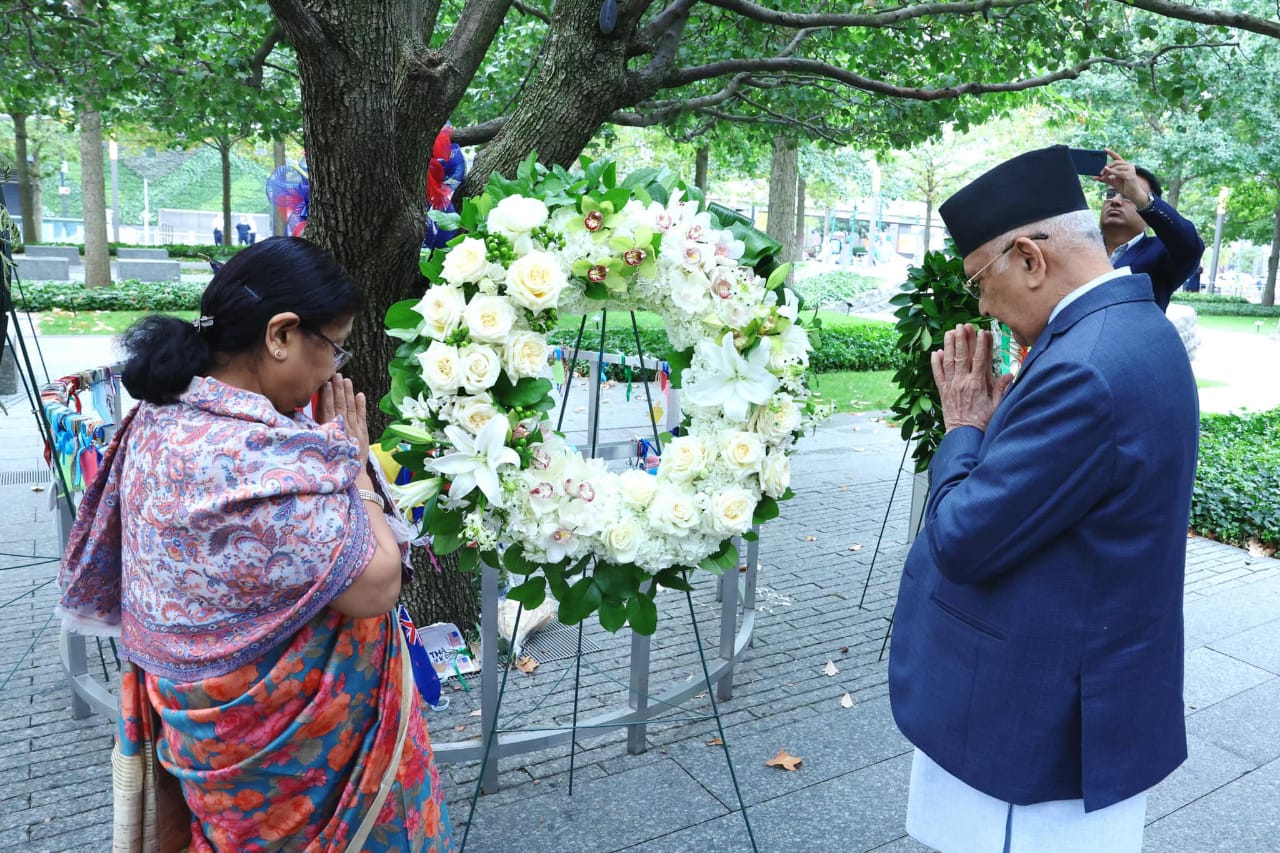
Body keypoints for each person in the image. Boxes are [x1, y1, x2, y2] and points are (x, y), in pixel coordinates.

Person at [58, 237, 454, 852]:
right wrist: (353, 470)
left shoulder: (158, 417)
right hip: (299, 763)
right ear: (281, 335)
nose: (334, 370)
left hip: (204, 739)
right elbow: (377, 586)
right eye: (334, 346)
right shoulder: (255, 456)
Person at [888, 146, 1199, 853]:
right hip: (1087, 679)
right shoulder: (1132, 327)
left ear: (1030, 259)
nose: (981, 305)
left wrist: (964, 428)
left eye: (980, 281)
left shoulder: (1085, 367)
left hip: (1035, 709)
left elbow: (964, 538)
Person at [1096, 149, 1204, 310]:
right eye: (1111, 193)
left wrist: (1139, 196)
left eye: (1128, 195)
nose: (1115, 201)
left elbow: (1191, 246)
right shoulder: (1079, 247)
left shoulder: (1161, 253)